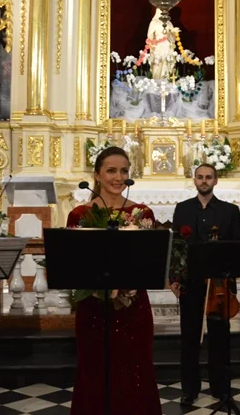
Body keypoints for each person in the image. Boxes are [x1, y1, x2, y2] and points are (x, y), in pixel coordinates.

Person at [66, 146, 162, 415]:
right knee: (93, 372)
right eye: (111, 170)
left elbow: (150, 264)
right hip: (93, 310)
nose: (118, 177)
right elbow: (73, 266)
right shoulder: (79, 215)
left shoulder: (143, 214)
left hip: (133, 310)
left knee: (136, 371)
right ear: (96, 175)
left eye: (124, 171)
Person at [171, 163, 240, 406]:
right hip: (190, 283)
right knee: (189, 338)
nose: (204, 181)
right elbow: (176, 248)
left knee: (220, 339)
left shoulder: (229, 211)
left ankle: (221, 388)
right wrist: (174, 279)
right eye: (200, 177)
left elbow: (238, 246)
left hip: (218, 286)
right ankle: (189, 389)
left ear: (215, 181)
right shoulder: (181, 210)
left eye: (208, 177)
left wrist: (228, 278)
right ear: (194, 180)